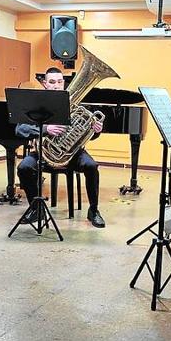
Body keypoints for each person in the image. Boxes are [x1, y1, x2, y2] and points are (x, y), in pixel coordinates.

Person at [15, 67, 106, 228]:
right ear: (44, 84)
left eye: (59, 82)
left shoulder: (76, 103)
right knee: (24, 167)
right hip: (43, 153)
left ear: (63, 83)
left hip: (73, 154)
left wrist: (96, 130)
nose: (56, 85)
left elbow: (87, 131)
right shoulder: (36, 105)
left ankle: (94, 210)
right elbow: (20, 129)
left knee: (92, 166)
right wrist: (45, 129)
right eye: (52, 82)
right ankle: (36, 209)